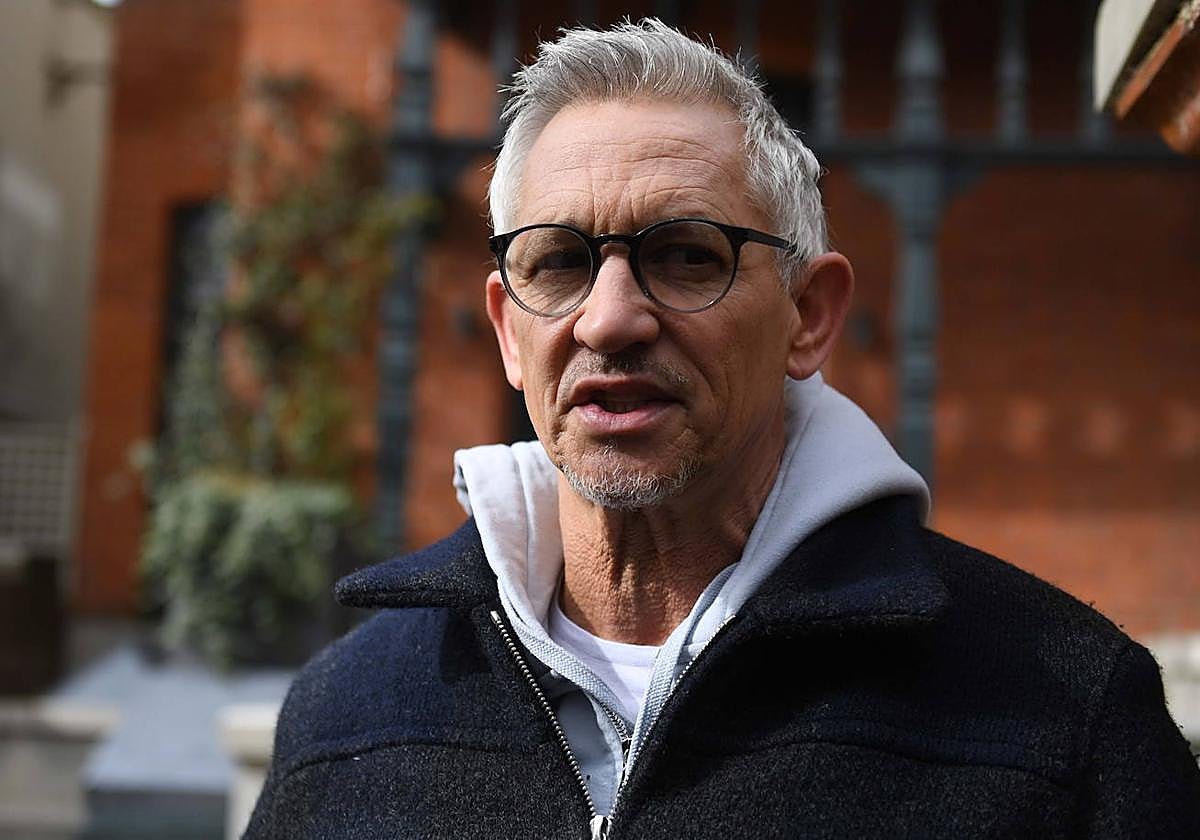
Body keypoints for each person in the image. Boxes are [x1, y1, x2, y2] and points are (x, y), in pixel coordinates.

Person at [244, 19, 1200, 839]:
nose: (610, 320)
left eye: (687, 256)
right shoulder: (346, 715)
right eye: (559, 263)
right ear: (506, 330)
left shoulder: (1063, 715)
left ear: (808, 316)